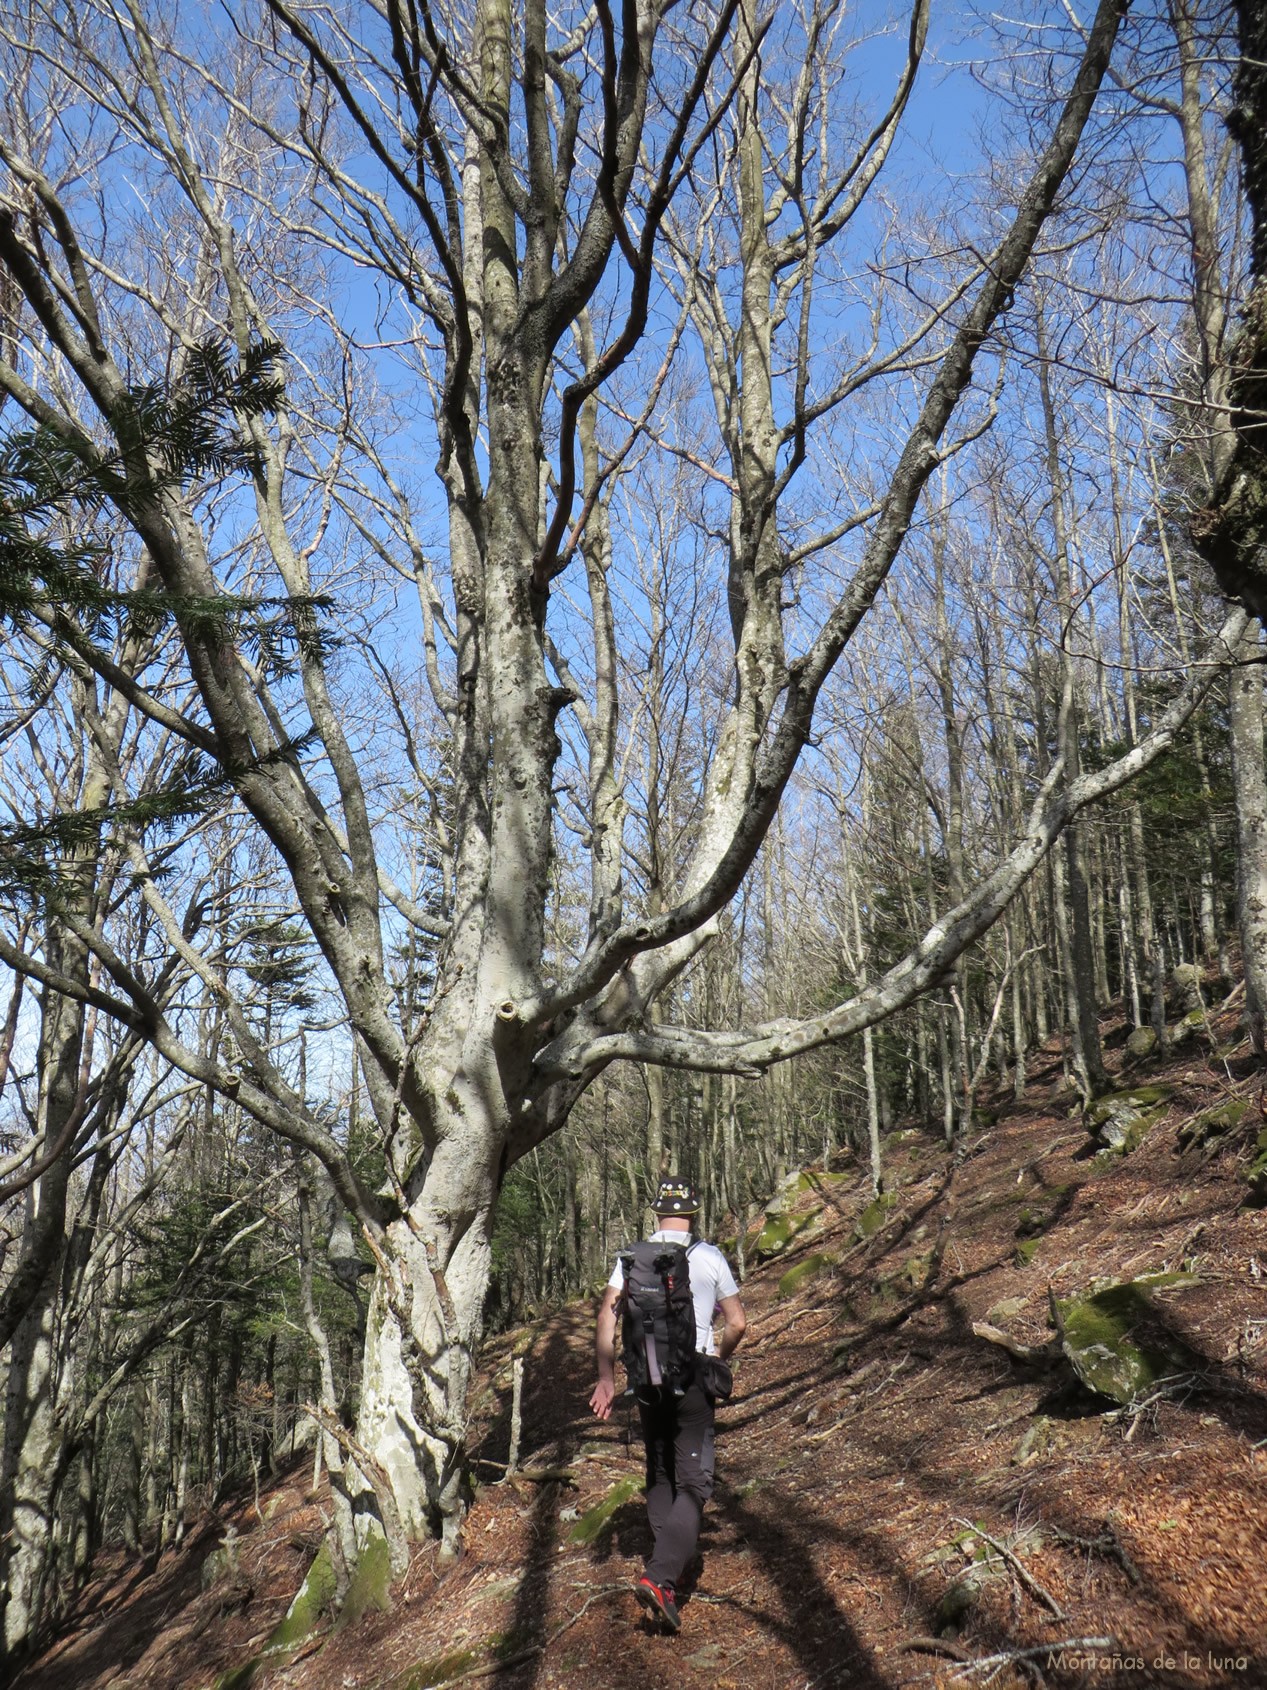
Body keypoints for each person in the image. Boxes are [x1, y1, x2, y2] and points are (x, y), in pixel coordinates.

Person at [589, 1177, 746, 1633]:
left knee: (659, 1473)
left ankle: (664, 1572)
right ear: (693, 1213)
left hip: (646, 1378)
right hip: (692, 1379)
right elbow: (738, 1323)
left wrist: (606, 1378)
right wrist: (717, 1357)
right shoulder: (710, 1257)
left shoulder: (632, 1259)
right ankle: (660, 1577)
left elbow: (606, 1318)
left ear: (657, 1213)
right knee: (695, 1483)